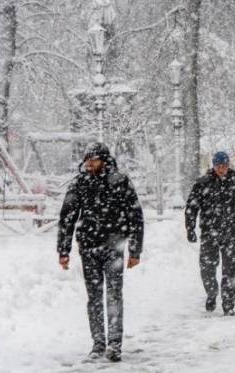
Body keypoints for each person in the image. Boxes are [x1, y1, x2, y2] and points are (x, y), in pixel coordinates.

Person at [57, 142, 144, 362]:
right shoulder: (80, 183)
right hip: (88, 248)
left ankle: (114, 344)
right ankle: (98, 344)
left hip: (114, 247)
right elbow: (67, 217)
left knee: (114, 295)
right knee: (94, 298)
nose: (89, 163)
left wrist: (135, 251)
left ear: (104, 160)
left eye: (93, 159)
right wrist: (63, 250)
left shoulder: (120, 181)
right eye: (87, 159)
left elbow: (135, 216)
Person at [185, 151, 235, 316]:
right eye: (218, 166)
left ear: (228, 165)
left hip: (231, 233)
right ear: (213, 165)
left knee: (230, 271)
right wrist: (190, 227)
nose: (221, 169)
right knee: (207, 268)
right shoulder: (202, 184)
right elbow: (191, 207)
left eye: (224, 166)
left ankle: (228, 304)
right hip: (209, 233)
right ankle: (211, 292)